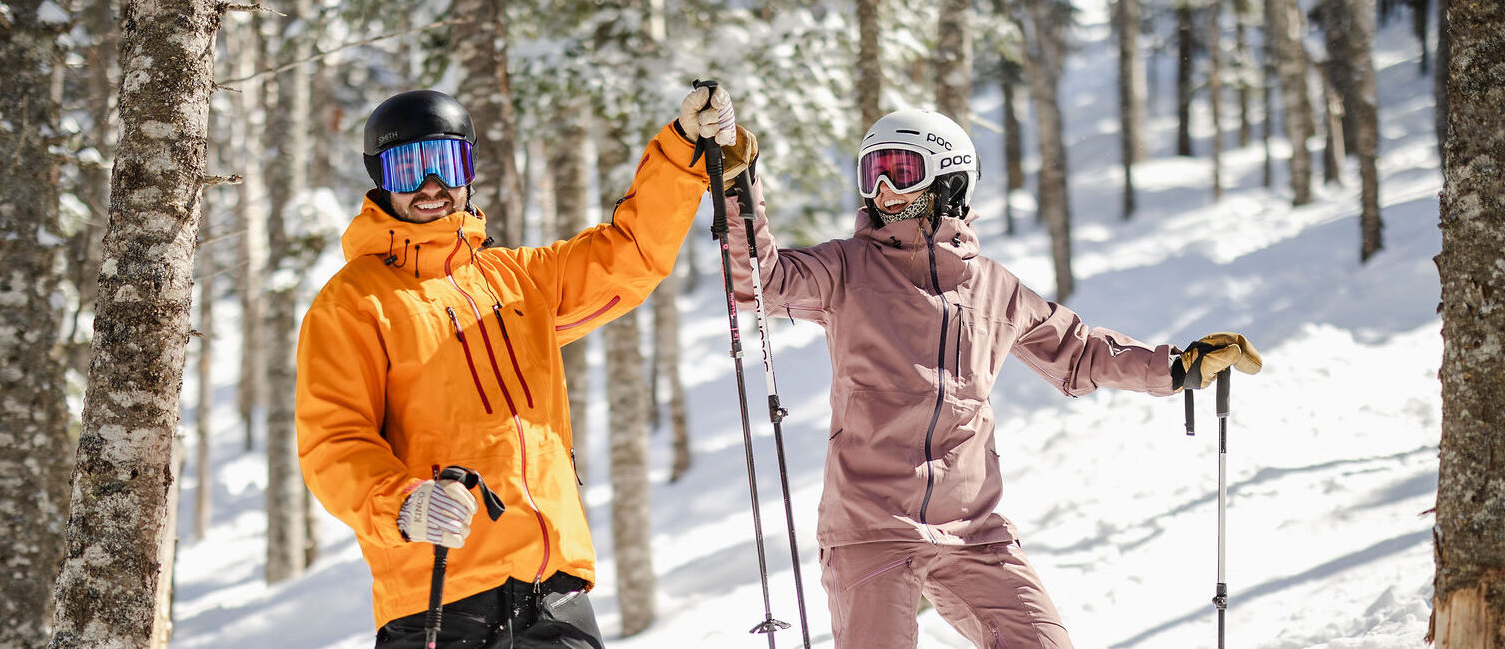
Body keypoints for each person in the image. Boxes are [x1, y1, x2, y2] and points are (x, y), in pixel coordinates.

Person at [721, 108, 1261, 648]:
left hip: (974, 531)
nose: (883, 190)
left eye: (901, 171)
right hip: (872, 528)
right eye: (872, 174)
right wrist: (737, 187)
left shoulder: (994, 290)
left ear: (949, 178)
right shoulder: (845, 270)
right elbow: (761, 282)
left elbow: (1080, 352)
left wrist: (1174, 367)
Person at [296, 86, 754, 648]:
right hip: (441, 600)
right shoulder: (354, 303)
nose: (431, 186)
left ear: (469, 168)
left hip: (555, 595)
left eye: (445, 162)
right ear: (379, 178)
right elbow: (332, 442)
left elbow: (629, 254)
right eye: (408, 167)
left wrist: (684, 151)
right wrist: (403, 502)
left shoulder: (518, 281)